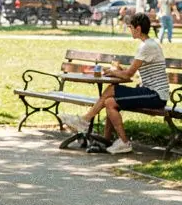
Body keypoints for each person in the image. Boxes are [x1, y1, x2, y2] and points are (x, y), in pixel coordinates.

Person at [62, 12, 169, 155]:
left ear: (138, 29)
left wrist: (114, 72)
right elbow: (131, 71)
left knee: (111, 89)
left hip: (155, 95)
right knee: (110, 102)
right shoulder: (147, 45)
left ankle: (86, 120)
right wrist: (118, 70)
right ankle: (114, 140)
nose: (129, 30)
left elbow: (129, 75)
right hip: (149, 92)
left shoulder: (147, 46)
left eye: (130, 27)